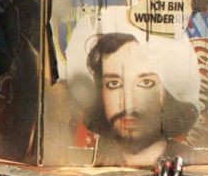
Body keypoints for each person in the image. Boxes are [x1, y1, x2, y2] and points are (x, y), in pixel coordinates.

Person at [77, 31, 200, 166]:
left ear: (168, 93)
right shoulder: (85, 163)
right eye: (114, 84)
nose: (128, 105)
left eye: (145, 83)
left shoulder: (197, 165)